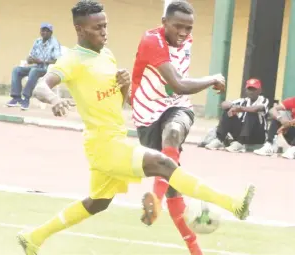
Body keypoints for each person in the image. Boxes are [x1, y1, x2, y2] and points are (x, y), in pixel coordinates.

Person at [17, 1, 255, 254]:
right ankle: (233, 204)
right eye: (98, 27)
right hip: (105, 145)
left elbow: (119, 103)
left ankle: (33, 237)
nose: (104, 31)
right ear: (80, 29)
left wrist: (123, 86)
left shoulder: (106, 55)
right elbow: (40, 86)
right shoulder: (72, 60)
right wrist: (54, 99)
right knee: (164, 164)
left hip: (111, 140)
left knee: (97, 202)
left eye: (105, 25)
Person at [131, 1, 217, 253]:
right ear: (164, 22)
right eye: (177, 26)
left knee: (174, 132)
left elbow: (179, 92)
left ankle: (155, 199)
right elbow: (178, 83)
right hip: (147, 114)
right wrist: (213, 79)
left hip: (177, 106)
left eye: (188, 28)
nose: (183, 32)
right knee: (172, 183)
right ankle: (193, 247)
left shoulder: (185, 40)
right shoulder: (152, 41)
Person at [6, 23, 61, 110]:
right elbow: (30, 56)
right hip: (36, 67)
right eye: (43, 30)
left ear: (51, 33)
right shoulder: (37, 41)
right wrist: (29, 59)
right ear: (40, 32)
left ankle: (26, 98)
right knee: (16, 70)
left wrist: (42, 61)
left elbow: (57, 60)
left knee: (34, 71)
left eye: (47, 31)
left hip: (47, 69)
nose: (45, 32)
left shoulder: (54, 42)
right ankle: (16, 97)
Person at [205, 78, 269, 153]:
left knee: (251, 112)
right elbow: (223, 104)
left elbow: (257, 109)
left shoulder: (264, 100)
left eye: (254, 89)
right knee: (227, 111)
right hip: (242, 133)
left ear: (259, 90)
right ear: (246, 90)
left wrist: (240, 108)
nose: (251, 92)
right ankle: (219, 140)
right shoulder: (243, 101)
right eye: (249, 89)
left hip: (258, 135)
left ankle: (241, 143)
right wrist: (232, 106)